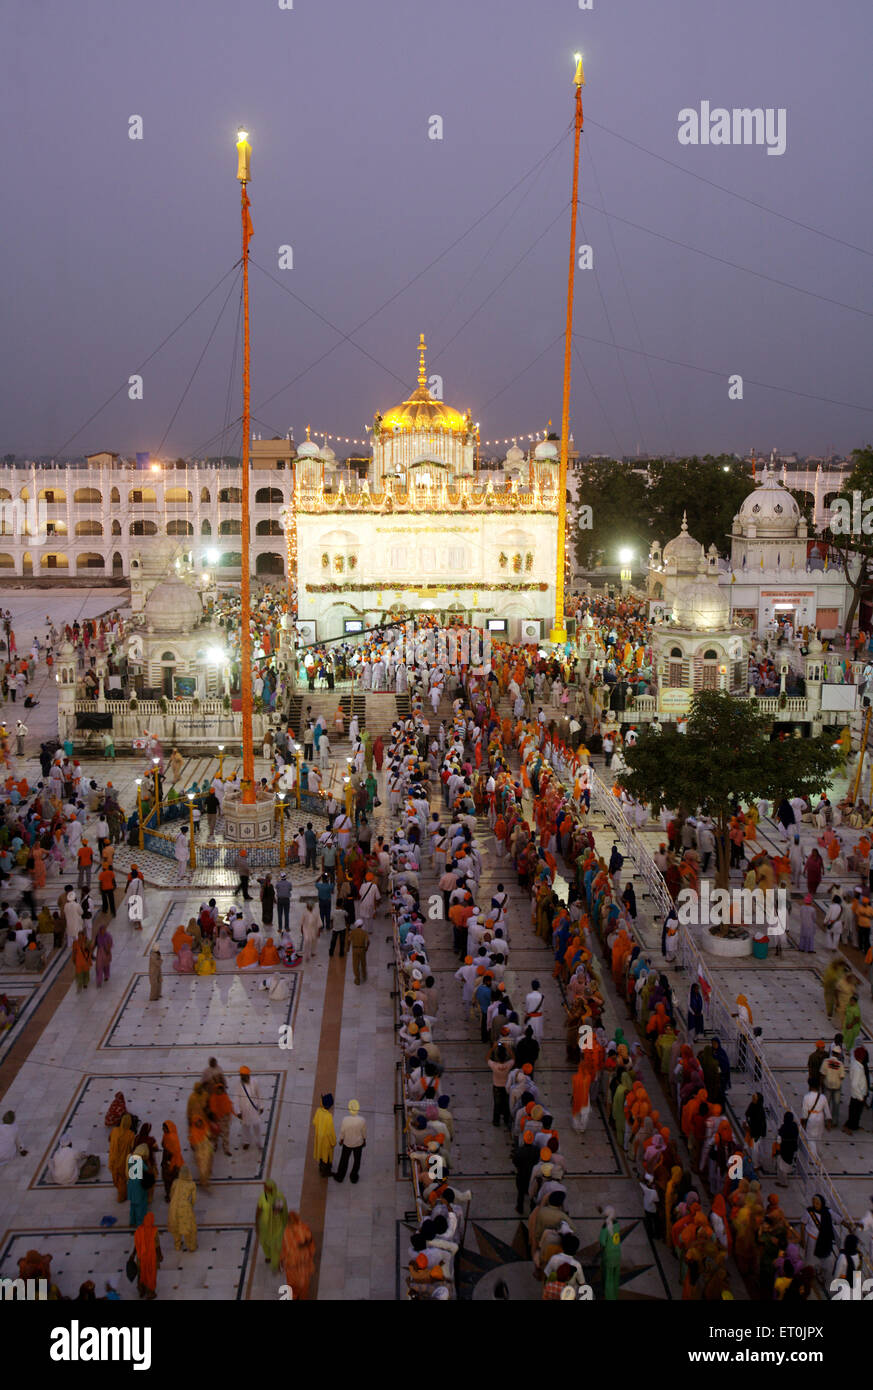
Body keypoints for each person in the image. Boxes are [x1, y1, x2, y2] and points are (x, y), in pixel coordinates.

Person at [280, 1210, 316, 1300]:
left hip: (291, 1265)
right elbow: (310, 1244)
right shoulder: (304, 1228)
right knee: (303, 1287)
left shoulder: (285, 1233)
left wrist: (281, 1261)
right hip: (303, 1265)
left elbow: (282, 1250)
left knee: (292, 1286)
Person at [256, 1179, 289, 1271]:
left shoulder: (279, 1198)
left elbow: (282, 1212)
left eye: (267, 1188)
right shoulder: (263, 1197)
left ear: (272, 1188)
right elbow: (258, 1210)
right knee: (265, 1242)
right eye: (264, 1187)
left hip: (276, 1226)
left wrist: (285, 1223)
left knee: (277, 1244)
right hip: (265, 1225)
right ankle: (268, 1255)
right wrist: (256, 1223)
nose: (265, 1189)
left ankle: (278, 1261)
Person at [334, 1099, 367, 1184]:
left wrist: (341, 1140)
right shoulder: (362, 1120)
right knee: (357, 1161)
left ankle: (340, 1177)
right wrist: (364, 1139)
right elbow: (364, 1132)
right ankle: (354, 1177)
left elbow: (342, 1132)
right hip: (358, 1144)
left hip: (347, 1143)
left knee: (344, 1160)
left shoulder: (345, 1120)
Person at [167, 1166, 198, 1252]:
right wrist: (190, 1206)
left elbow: (171, 1194)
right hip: (184, 1207)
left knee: (176, 1226)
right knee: (188, 1227)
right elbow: (194, 1199)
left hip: (173, 1206)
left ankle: (177, 1245)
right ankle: (191, 1247)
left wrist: (173, 1202)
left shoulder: (176, 1182)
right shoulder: (191, 1184)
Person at [133, 1211, 162, 1300]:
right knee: (151, 1274)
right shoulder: (154, 1230)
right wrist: (160, 1255)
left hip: (141, 1257)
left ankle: (141, 1290)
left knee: (141, 1273)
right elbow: (157, 1245)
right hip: (151, 1257)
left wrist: (132, 1255)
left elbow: (136, 1244)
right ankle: (150, 1293)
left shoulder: (139, 1230)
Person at [235, 1066, 263, 1151]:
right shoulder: (239, 1084)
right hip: (244, 1110)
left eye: (243, 1075)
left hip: (254, 1109)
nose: (242, 1077)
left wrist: (261, 1106)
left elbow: (259, 1095)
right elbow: (236, 1098)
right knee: (245, 1127)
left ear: (248, 1075)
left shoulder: (255, 1082)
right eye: (241, 1075)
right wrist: (238, 1111)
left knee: (256, 1126)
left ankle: (259, 1142)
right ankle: (246, 1142)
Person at [312, 1093, 336, 1175]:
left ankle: (321, 1167)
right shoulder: (329, 1116)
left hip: (319, 1138)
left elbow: (314, 1122)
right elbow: (330, 1132)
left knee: (321, 1155)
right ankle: (325, 1172)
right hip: (326, 1142)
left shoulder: (318, 1111)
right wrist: (333, 1142)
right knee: (327, 1157)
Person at [349, 919, 369, 984]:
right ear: (361, 925)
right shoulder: (364, 932)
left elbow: (348, 940)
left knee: (355, 965)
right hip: (362, 949)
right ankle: (364, 975)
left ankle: (357, 979)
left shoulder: (352, 932)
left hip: (355, 949)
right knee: (363, 963)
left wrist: (348, 948)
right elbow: (368, 941)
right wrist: (366, 948)